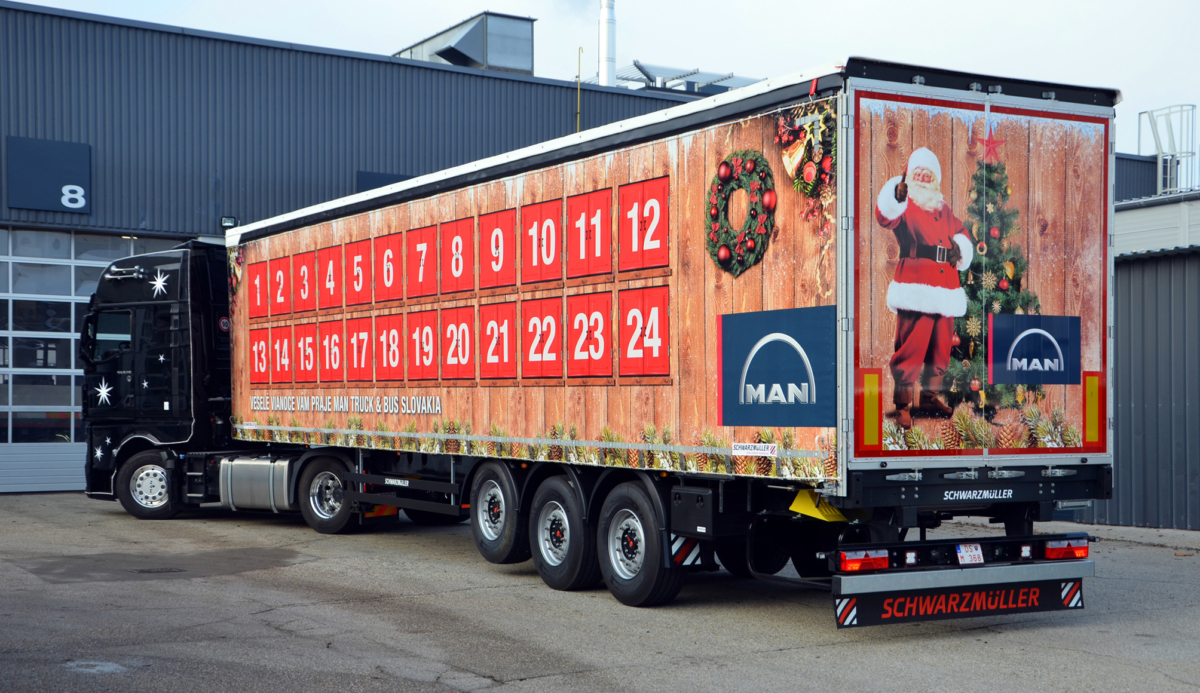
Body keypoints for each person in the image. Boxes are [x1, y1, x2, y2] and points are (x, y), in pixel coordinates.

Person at [875, 147, 974, 429]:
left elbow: (962, 231)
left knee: (941, 346)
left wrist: (961, 247)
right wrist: (895, 196)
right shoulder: (904, 205)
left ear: (935, 179)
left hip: (946, 288)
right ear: (910, 176)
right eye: (917, 171)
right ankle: (902, 404)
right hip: (915, 287)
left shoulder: (944, 209)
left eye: (927, 172)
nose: (922, 176)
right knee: (912, 345)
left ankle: (929, 397)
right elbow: (885, 218)